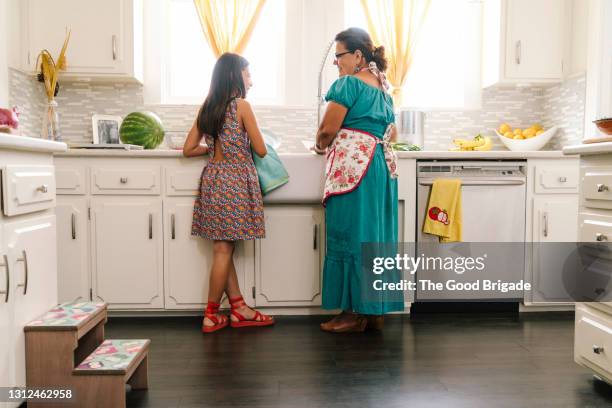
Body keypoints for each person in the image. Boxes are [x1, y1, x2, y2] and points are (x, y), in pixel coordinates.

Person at [314, 28, 403, 333]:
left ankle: (352, 313)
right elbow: (392, 133)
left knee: (350, 234)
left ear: (357, 56)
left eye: (339, 56)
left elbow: (327, 131)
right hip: (379, 168)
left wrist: (319, 144)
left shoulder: (348, 84)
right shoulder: (383, 90)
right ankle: (374, 310)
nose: (336, 63)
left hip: (355, 170)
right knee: (374, 237)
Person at [183, 52, 275, 333]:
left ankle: (238, 307)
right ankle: (211, 314)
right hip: (235, 180)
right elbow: (261, 150)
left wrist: (211, 150)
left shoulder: (208, 107)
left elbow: (188, 149)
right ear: (236, 76)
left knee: (224, 247)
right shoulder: (242, 107)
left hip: (213, 178)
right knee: (224, 249)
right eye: (248, 73)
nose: (251, 79)